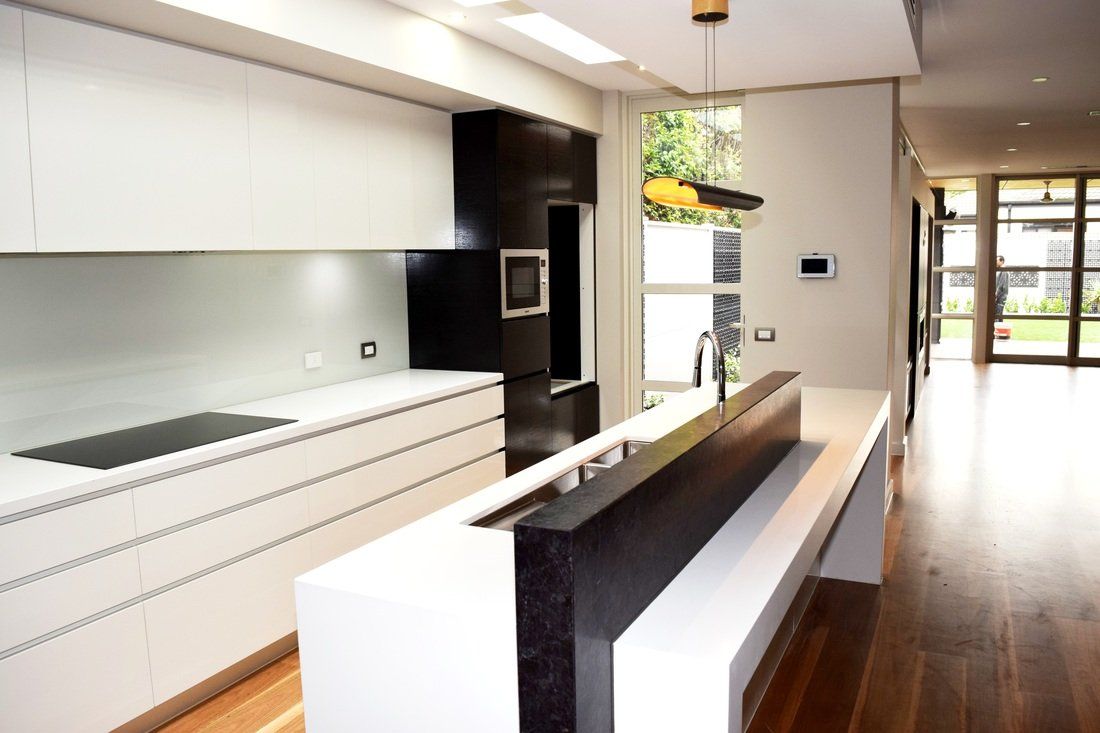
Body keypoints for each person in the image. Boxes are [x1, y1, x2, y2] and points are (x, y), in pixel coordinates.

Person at [994, 255, 1009, 323]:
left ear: (1001, 261)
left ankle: (997, 327)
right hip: (1000, 296)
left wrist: (996, 295)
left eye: (996, 261)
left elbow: (1001, 285)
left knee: (997, 313)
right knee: (999, 314)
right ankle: (999, 328)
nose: (995, 262)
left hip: (1001, 296)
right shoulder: (1000, 270)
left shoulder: (1003, 270)